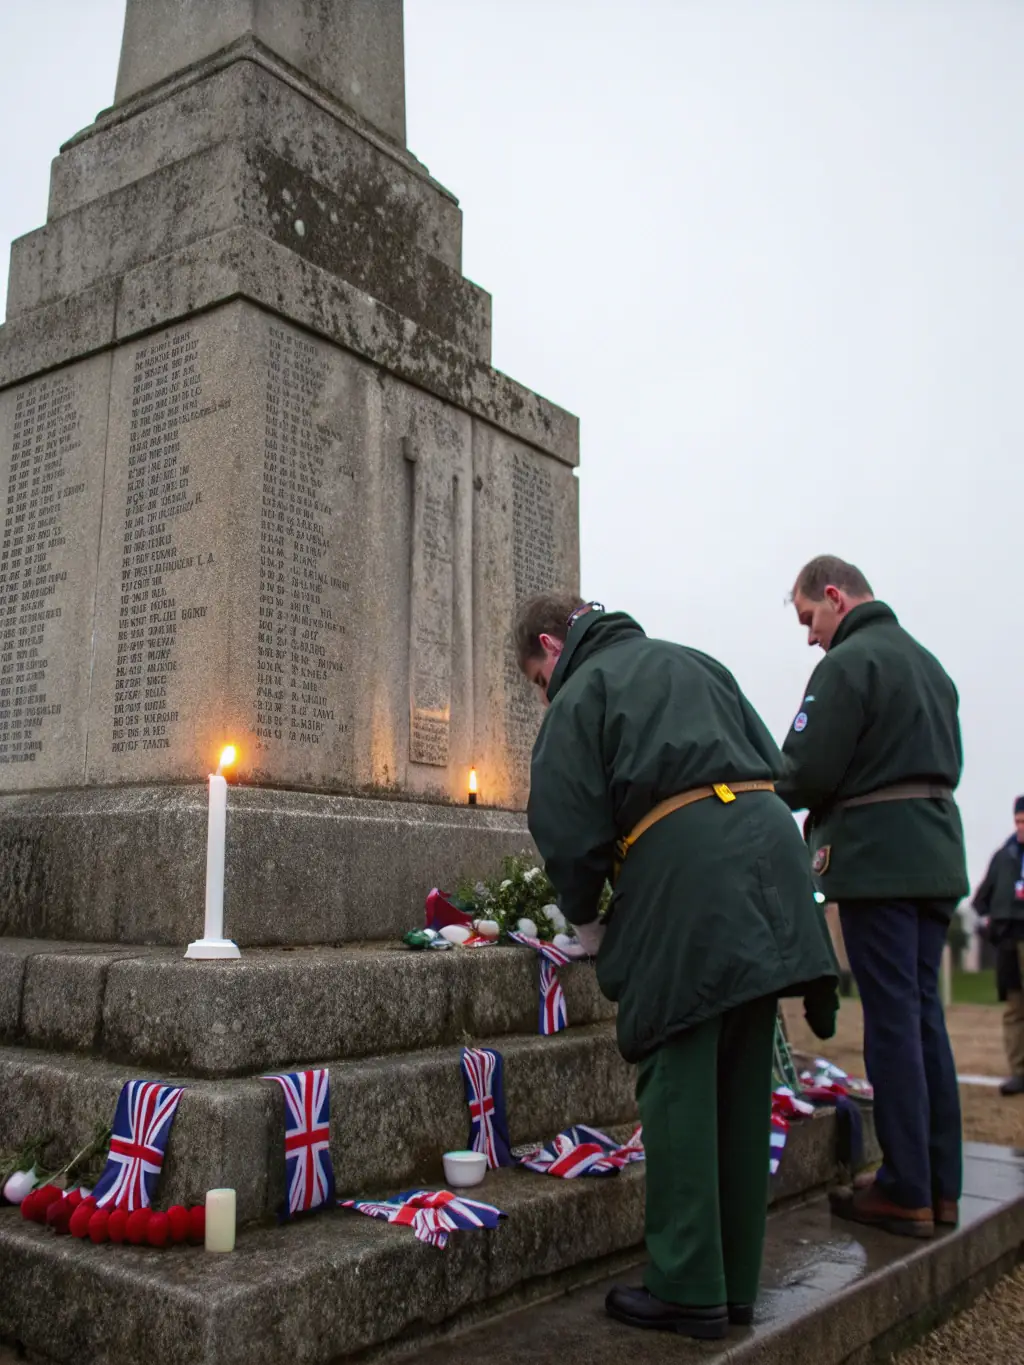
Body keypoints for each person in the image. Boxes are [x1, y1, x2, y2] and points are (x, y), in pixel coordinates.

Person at [515, 593, 838, 1340]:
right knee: (740, 1071)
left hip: (690, 876)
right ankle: (734, 1285)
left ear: (551, 645)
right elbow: (770, 764)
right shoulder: (695, 661)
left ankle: (689, 1286)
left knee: (678, 1072)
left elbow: (564, 822)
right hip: (767, 863)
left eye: (537, 679)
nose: (544, 694)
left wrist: (588, 917)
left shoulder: (583, 690)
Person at [778, 555, 968, 1239]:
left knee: (891, 1023)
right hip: (936, 857)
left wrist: (762, 798)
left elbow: (805, 768)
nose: (810, 637)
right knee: (923, 1021)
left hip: (881, 863)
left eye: (809, 618)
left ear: (834, 596)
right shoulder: (928, 663)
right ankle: (940, 1185)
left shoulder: (849, 664)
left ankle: (904, 1187)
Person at [972, 797, 1024, 1096]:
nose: (1020, 828)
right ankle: (1019, 1072)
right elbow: (981, 899)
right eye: (1018, 822)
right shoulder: (1003, 857)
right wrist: (987, 918)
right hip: (1006, 940)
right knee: (1015, 1009)